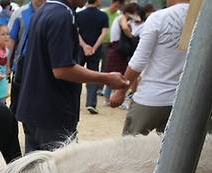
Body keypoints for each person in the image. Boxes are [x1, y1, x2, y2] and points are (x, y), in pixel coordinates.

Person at [15, 0, 128, 152]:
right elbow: (62, 69)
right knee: (59, 170)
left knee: (35, 170)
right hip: (53, 111)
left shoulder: (44, 10)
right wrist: (106, 78)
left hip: (35, 107)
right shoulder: (61, 16)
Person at [110, 0, 189, 136]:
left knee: (130, 151)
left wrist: (121, 91)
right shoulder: (206, 20)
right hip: (185, 101)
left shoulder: (159, 17)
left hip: (151, 97)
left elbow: (139, 60)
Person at [6, 0, 45, 113]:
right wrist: (7, 64)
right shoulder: (20, 13)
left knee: (36, 103)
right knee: (16, 104)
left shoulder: (51, 12)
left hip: (42, 64)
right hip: (22, 63)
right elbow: (11, 40)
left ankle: (30, 130)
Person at [76, 0, 109, 114]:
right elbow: (104, 33)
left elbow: (76, 32)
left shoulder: (78, 14)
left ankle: (74, 101)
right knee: (93, 75)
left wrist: (85, 46)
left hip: (80, 49)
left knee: (76, 75)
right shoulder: (103, 15)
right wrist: (94, 47)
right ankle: (91, 103)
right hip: (95, 50)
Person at [98, 0, 123, 100]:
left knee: (106, 65)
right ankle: (99, 87)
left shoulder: (118, 15)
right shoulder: (103, 12)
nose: (116, 7)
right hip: (101, 42)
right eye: (116, 5)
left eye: (118, 6)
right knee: (100, 65)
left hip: (111, 44)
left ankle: (102, 88)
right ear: (112, 3)